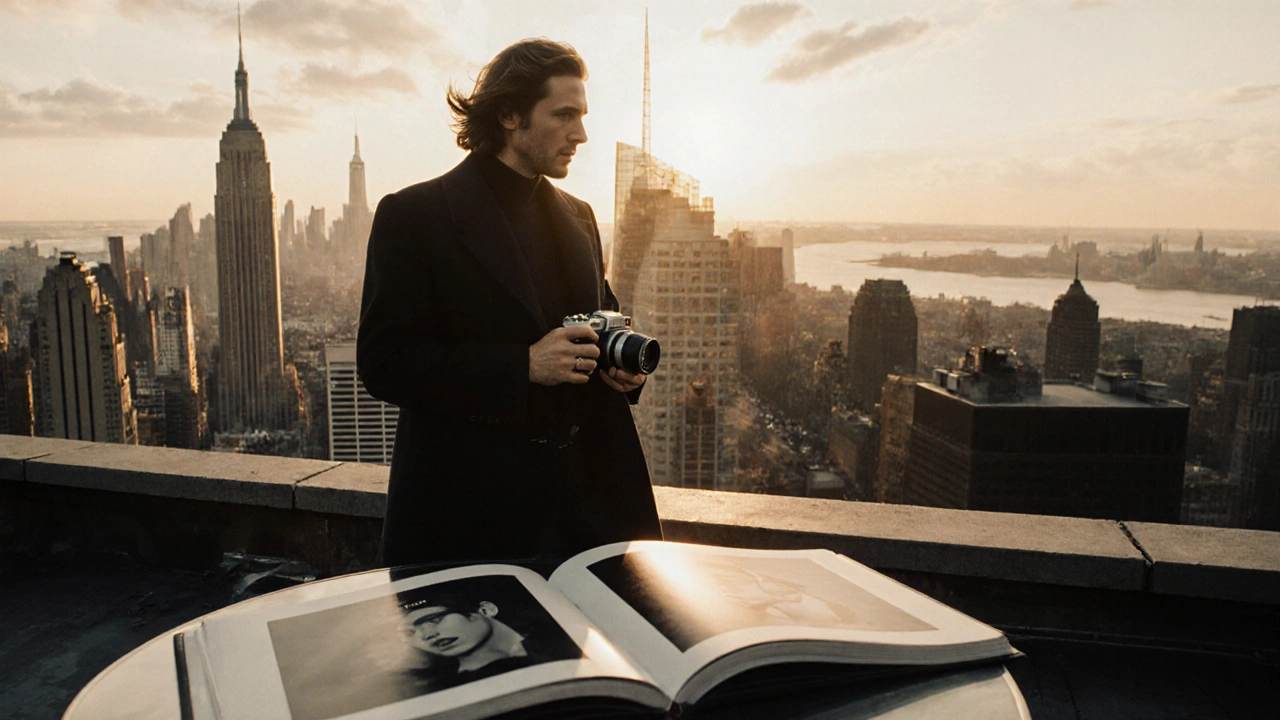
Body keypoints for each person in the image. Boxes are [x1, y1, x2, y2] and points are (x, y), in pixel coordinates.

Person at [358, 38, 662, 567]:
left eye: (582, 115)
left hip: (587, 513)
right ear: (508, 114)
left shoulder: (581, 216)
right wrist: (521, 365)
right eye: (564, 115)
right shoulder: (415, 215)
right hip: (471, 517)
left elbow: (602, 319)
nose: (581, 134)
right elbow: (384, 363)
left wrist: (622, 372)